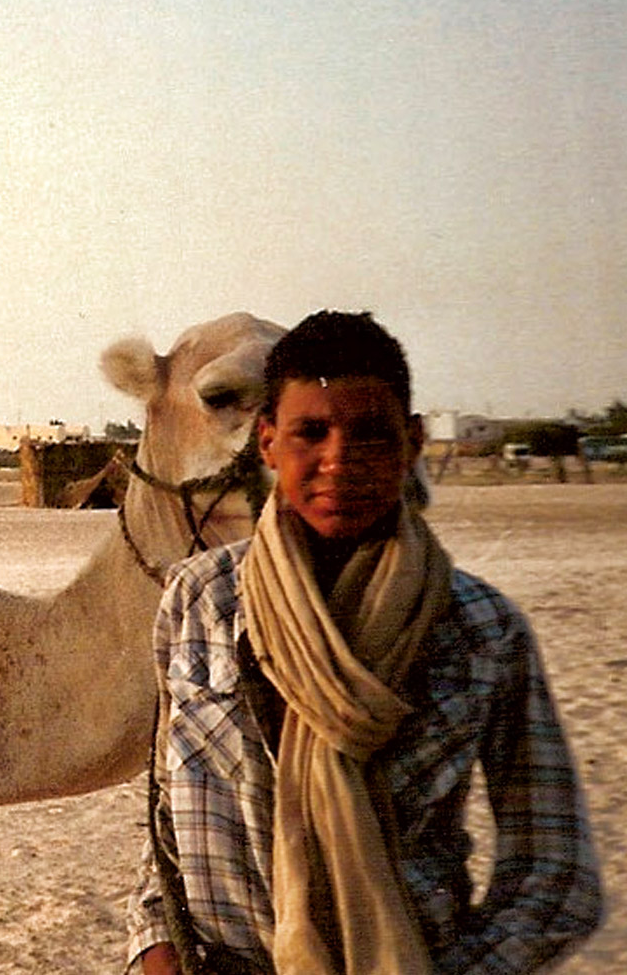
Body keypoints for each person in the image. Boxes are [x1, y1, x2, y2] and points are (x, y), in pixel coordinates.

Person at [127, 311, 602, 974]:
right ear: (267, 441)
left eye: (371, 433)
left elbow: (556, 876)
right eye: (310, 431)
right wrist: (156, 941)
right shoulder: (197, 599)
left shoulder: (481, 630)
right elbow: (167, 814)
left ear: (411, 442)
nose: (339, 459)